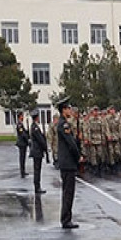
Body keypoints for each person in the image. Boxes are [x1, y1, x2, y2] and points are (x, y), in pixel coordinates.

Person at [55, 98, 81, 229]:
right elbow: (71, 144)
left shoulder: (63, 123)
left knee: (67, 191)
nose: (70, 111)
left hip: (66, 163)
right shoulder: (63, 125)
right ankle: (66, 220)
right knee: (68, 192)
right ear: (64, 110)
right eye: (68, 108)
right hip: (68, 163)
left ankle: (66, 218)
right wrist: (78, 156)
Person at [30, 115, 49, 194]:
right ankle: (37, 187)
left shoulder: (34, 126)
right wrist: (45, 147)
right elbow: (40, 140)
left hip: (37, 151)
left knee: (37, 170)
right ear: (36, 118)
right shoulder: (35, 127)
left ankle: (37, 186)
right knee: (37, 170)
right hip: (37, 151)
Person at [15, 112, 30, 178]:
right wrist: (27, 139)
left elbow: (24, 132)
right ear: (19, 116)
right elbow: (22, 133)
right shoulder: (19, 124)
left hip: (23, 143)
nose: (23, 117)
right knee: (22, 158)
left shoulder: (21, 124)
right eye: (22, 116)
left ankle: (23, 171)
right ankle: (22, 172)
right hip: (22, 143)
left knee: (23, 158)